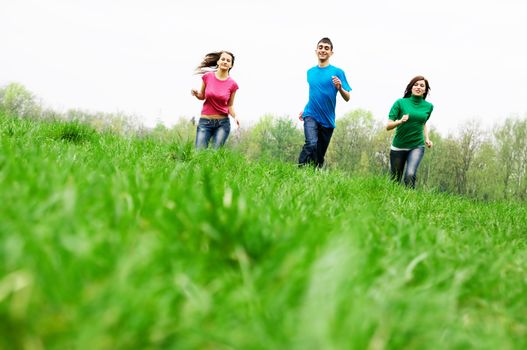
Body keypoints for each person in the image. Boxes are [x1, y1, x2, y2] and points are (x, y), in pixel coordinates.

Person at [298, 37, 351, 168]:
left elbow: (348, 97)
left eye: (326, 48)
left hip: (327, 120)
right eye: (320, 47)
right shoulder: (310, 72)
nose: (323, 50)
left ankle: (313, 178)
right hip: (311, 114)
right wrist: (305, 109)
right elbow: (314, 94)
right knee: (311, 143)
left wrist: (340, 88)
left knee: (318, 156)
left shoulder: (338, 72)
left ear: (331, 52)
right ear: (316, 50)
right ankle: (298, 171)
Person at [386, 75, 434, 188]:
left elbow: (423, 123)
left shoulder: (428, 107)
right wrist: (400, 121)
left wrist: (427, 138)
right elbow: (388, 126)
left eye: (422, 85)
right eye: (416, 84)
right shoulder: (400, 103)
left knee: (410, 175)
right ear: (411, 87)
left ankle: (410, 203)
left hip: (417, 145)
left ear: (425, 90)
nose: (418, 87)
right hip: (399, 145)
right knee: (395, 180)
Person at [191, 51, 239, 149]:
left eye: (228, 61)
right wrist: (196, 94)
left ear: (231, 65)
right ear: (218, 62)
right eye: (223, 59)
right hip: (205, 122)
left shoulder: (232, 84)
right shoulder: (208, 77)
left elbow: (230, 106)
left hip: (222, 124)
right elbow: (202, 96)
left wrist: (236, 116)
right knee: (199, 153)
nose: (225, 62)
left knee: (214, 154)